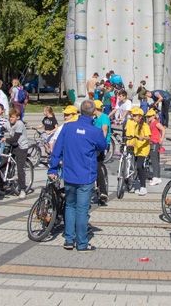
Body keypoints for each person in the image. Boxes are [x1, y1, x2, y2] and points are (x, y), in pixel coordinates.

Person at [48, 99, 106, 252]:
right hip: (86, 176)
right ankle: (81, 243)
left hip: (69, 174)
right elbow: (103, 145)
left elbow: (57, 150)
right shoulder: (95, 131)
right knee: (82, 209)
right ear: (93, 113)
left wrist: (52, 169)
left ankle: (68, 239)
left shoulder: (67, 128)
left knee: (70, 206)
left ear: (80, 111)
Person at [4, 107, 31, 196]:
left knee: (20, 168)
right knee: (4, 162)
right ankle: (2, 185)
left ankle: (22, 189)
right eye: (10, 117)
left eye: (13, 117)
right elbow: (1, 128)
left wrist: (5, 139)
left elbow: (16, 137)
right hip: (13, 145)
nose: (11, 119)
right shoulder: (8, 123)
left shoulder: (19, 124)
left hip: (22, 146)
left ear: (18, 117)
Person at [124, 107, 151, 196]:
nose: (133, 116)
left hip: (143, 149)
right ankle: (136, 185)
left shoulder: (145, 125)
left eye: (135, 115)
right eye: (133, 115)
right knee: (135, 167)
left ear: (140, 116)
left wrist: (143, 138)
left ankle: (143, 187)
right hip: (136, 148)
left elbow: (148, 137)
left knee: (140, 166)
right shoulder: (135, 125)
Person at [92, 101, 112, 203]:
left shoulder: (104, 117)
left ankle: (103, 192)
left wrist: (101, 145)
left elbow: (104, 130)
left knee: (97, 165)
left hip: (103, 144)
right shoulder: (94, 119)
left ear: (95, 108)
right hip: (93, 145)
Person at [146, 108, 166, 186]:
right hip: (152, 142)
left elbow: (163, 129)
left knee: (154, 160)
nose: (149, 117)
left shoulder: (155, 123)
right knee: (155, 160)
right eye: (148, 116)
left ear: (154, 116)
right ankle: (157, 177)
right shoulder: (151, 123)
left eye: (150, 116)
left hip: (155, 142)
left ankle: (155, 177)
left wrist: (161, 138)